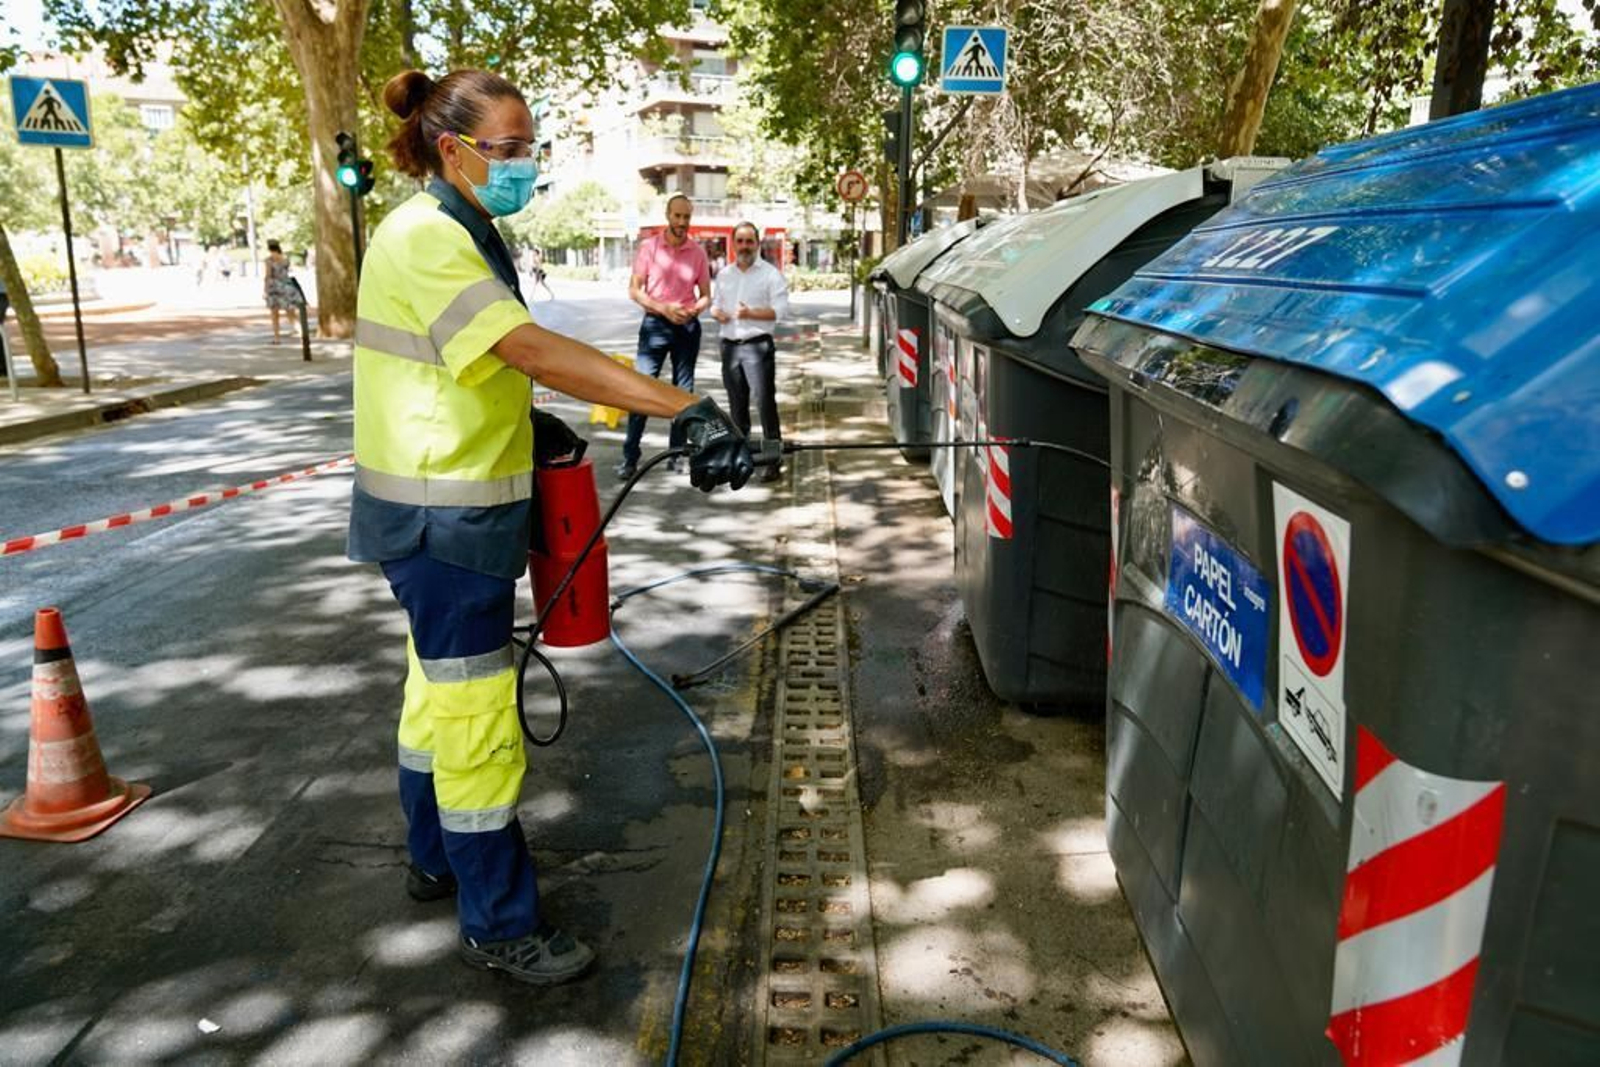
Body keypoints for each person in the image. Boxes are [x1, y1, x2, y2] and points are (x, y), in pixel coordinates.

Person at [350, 67, 754, 988]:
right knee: (479, 724)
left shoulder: (462, 225)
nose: (524, 166)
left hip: (448, 515)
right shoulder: (425, 236)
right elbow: (524, 346)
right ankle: (498, 920)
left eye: (531, 148)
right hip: (441, 524)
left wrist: (522, 418)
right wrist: (682, 406)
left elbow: (461, 363)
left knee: (434, 699)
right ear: (451, 150)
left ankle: (434, 860)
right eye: (508, 150)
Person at [618, 193, 711, 479]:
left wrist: (693, 311)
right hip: (655, 325)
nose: (682, 222)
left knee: (682, 395)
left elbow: (706, 295)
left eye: (686, 217)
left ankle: (678, 455)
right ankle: (630, 458)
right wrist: (663, 309)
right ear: (668, 216)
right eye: (677, 216)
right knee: (641, 390)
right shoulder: (649, 248)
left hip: (686, 327)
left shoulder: (698, 252)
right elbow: (634, 291)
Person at [711, 222, 789, 483]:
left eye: (749, 241)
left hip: (757, 347)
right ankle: (741, 459)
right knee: (737, 407)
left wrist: (750, 313)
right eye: (740, 241)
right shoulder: (724, 275)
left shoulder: (770, 275)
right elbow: (716, 305)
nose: (745, 246)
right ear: (734, 244)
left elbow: (780, 311)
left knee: (765, 404)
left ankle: (772, 460)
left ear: (757, 244)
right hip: (730, 347)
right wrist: (716, 313)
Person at [263, 240, 297, 344]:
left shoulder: (269, 260)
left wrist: (265, 289)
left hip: (274, 287)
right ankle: (301, 333)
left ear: (269, 248)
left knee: (274, 314)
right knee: (290, 312)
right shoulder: (285, 259)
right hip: (286, 286)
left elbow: (268, 275)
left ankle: (277, 338)